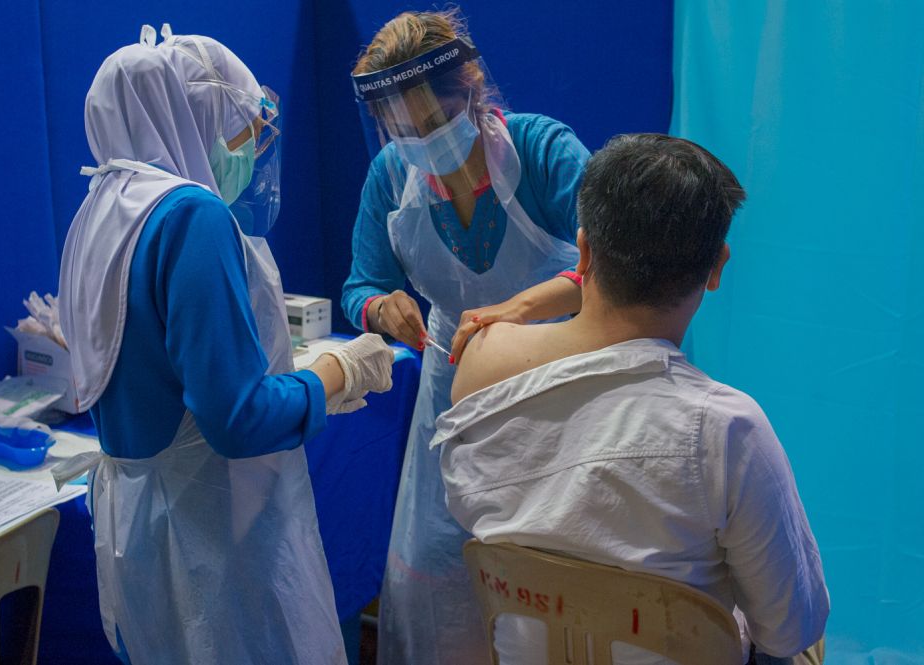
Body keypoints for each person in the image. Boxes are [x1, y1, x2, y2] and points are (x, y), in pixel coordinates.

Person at [57, 25, 394, 665]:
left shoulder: (103, 207)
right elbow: (238, 420)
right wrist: (334, 371)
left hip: (142, 528)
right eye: (241, 132)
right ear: (199, 116)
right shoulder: (192, 216)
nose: (246, 152)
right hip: (213, 532)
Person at [436, 134, 829, 664]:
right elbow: (789, 628)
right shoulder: (727, 430)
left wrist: (527, 304)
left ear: (583, 252)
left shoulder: (482, 362)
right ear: (717, 267)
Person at [340, 9, 591, 663]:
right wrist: (381, 309)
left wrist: (521, 308)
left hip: (554, 384)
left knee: (546, 568)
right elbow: (358, 285)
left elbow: (615, 264)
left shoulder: (541, 152)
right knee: (442, 567)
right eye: (399, 131)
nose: (417, 142)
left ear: (472, 87)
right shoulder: (391, 178)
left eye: (430, 124)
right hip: (450, 397)